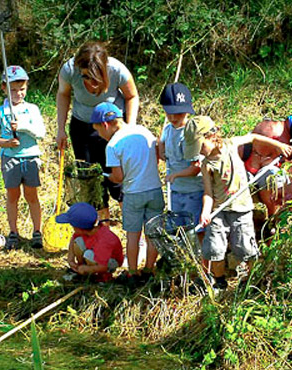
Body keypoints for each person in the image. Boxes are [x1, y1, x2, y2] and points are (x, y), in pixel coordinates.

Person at [184, 116, 292, 290]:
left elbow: (254, 137)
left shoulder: (231, 145)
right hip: (218, 211)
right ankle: (219, 282)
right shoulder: (206, 165)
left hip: (242, 209)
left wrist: (278, 146)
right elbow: (208, 193)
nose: (200, 152)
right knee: (215, 248)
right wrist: (205, 212)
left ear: (212, 136)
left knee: (246, 247)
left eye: (200, 146)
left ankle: (253, 279)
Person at [56, 41, 140, 220]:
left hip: (112, 129)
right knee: (90, 180)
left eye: (96, 78)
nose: (92, 84)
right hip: (82, 128)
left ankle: (133, 231)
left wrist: (129, 129)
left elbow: (132, 96)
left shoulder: (117, 70)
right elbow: (63, 94)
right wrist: (60, 129)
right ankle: (102, 231)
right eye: (86, 77)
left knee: (119, 179)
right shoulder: (69, 70)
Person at [91, 102, 163, 281]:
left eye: (99, 131)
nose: (101, 136)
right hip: (155, 190)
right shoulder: (143, 131)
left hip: (133, 194)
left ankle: (132, 272)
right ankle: (149, 269)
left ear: (105, 124)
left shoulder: (113, 145)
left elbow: (119, 177)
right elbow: (156, 159)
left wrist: (106, 176)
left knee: (133, 235)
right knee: (153, 233)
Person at [0, 65, 46, 250]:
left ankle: (37, 232)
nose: (18, 93)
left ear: (27, 87)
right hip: (10, 159)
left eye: (22, 89)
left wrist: (22, 126)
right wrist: (6, 143)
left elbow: (41, 133)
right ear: (4, 88)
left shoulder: (32, 109)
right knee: (12, 195)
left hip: (30, 157)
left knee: (32, 195)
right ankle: (13, 232)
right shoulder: (0, 111)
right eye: (13, 90)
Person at [158, 82, 204, 228]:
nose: (173, 117)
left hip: (193, 192)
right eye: (169, 113)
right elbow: (162, 142)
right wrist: (160, 148)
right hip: (175, 191)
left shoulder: (190, 133)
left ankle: (197, 251)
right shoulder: (167, 129)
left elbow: (196, 168)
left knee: (194, 228)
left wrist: (175, 175)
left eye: (178, 113)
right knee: (176, 228)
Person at [238, 119, 292, 216]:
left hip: (278, 191)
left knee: (269, 174)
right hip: (249, 191)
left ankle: (275, 218)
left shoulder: (285, 152)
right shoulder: (243, 148)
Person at [56, 202, 124, 281]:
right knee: (78, 242)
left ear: (79, 228)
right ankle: (82, 270)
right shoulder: (86, 230)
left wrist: (87, 268)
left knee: (88, 255)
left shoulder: (104, 240)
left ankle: (102, 277)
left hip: (108, 262)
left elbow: (103, 266)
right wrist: (70, 258)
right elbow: (73, 239)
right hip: (95, 255)